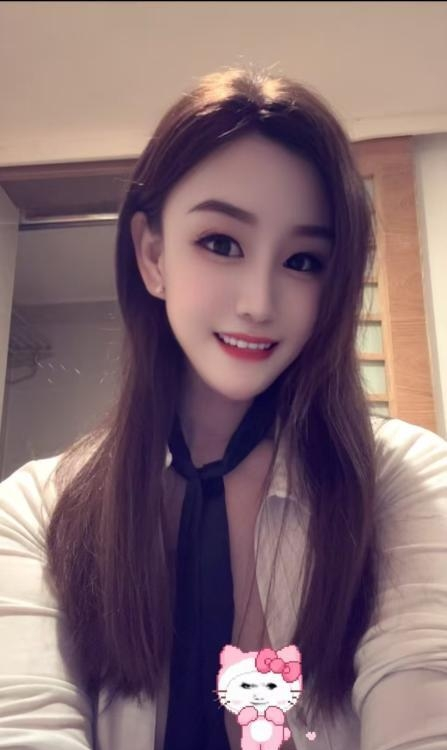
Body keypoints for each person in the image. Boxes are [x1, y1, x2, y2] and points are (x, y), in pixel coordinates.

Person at [0, 65, 446, 750]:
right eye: (220, 243)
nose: (258, 303)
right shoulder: (36, 509)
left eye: (303, 261)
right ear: (153, 255)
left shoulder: (402, 480)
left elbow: (424, 697)